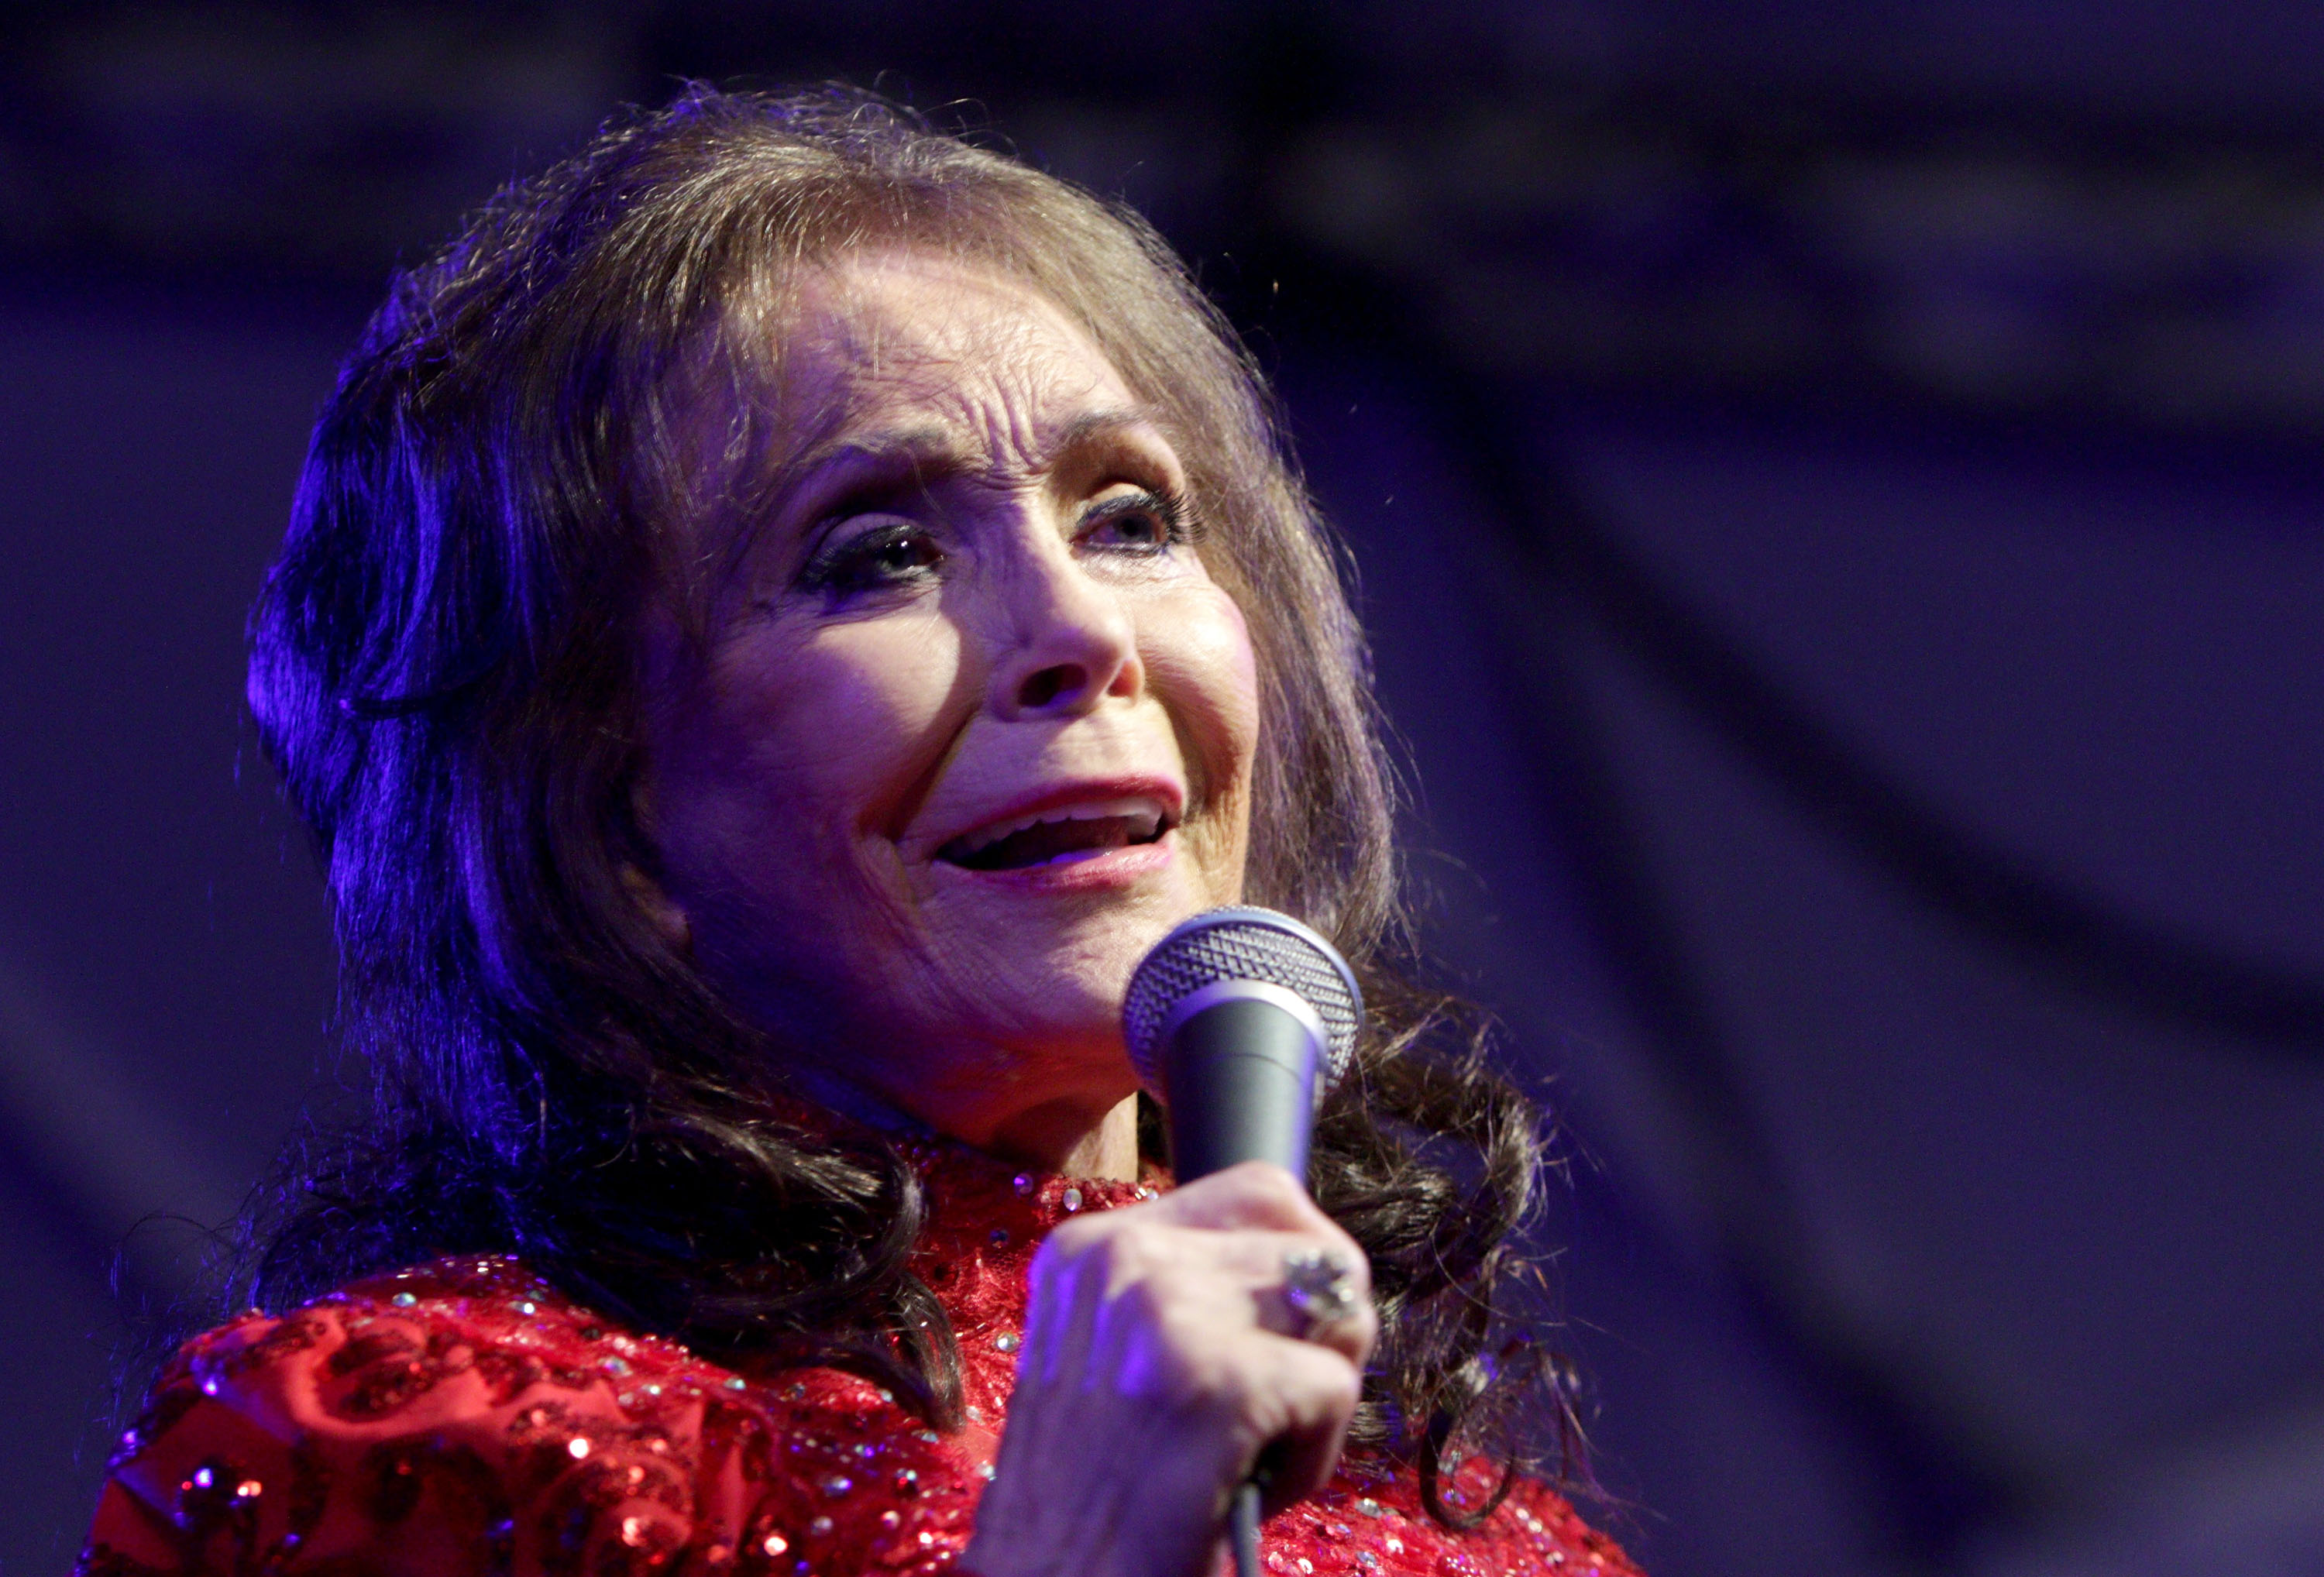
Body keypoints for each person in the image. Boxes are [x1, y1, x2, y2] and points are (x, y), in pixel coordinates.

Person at [78, 86, 1642, 1577]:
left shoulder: (1513, 1551)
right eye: (879, 554)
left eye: (1133, 519)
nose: (1078, 628)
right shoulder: (421, 1458)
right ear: (617, 823)